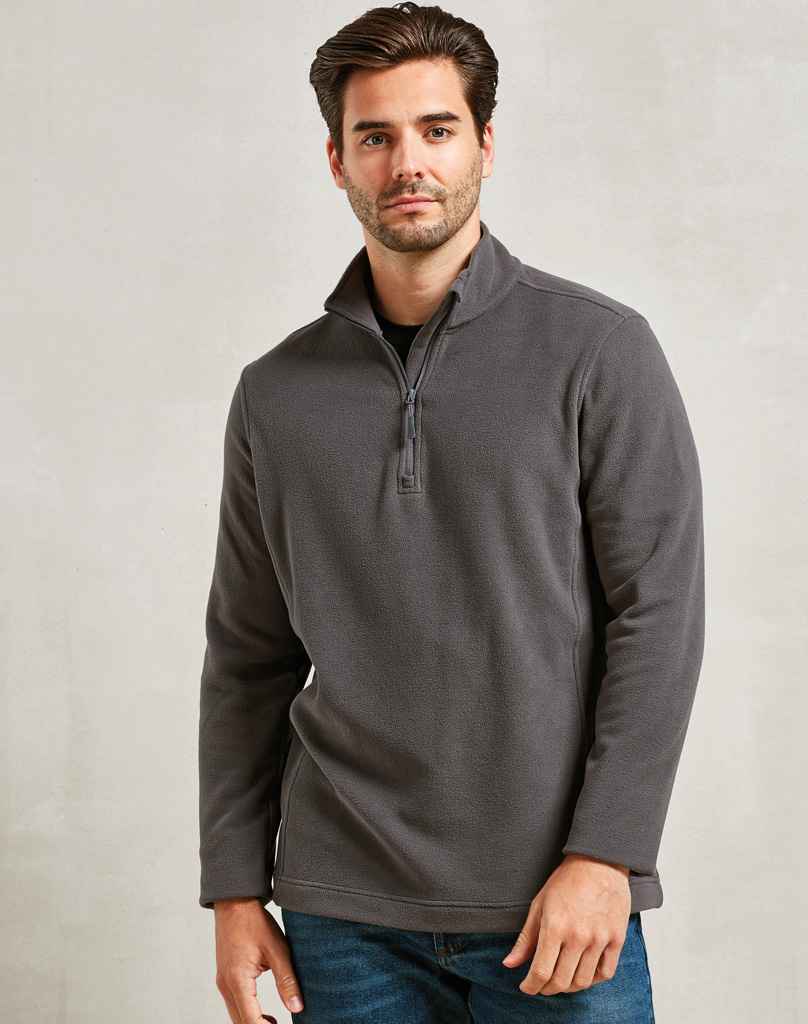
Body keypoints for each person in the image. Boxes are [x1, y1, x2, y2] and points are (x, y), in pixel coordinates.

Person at [197, 3, 705, 1022]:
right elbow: (248, 654)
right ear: (337, 160)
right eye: (375, 136)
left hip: (553, 903)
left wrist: (607, 854)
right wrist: (235, 886)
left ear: (484, 144)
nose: (408, 163)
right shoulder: (274, 393)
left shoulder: (599, 352)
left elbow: (658, 621)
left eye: (436, 129)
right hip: (340, 913)